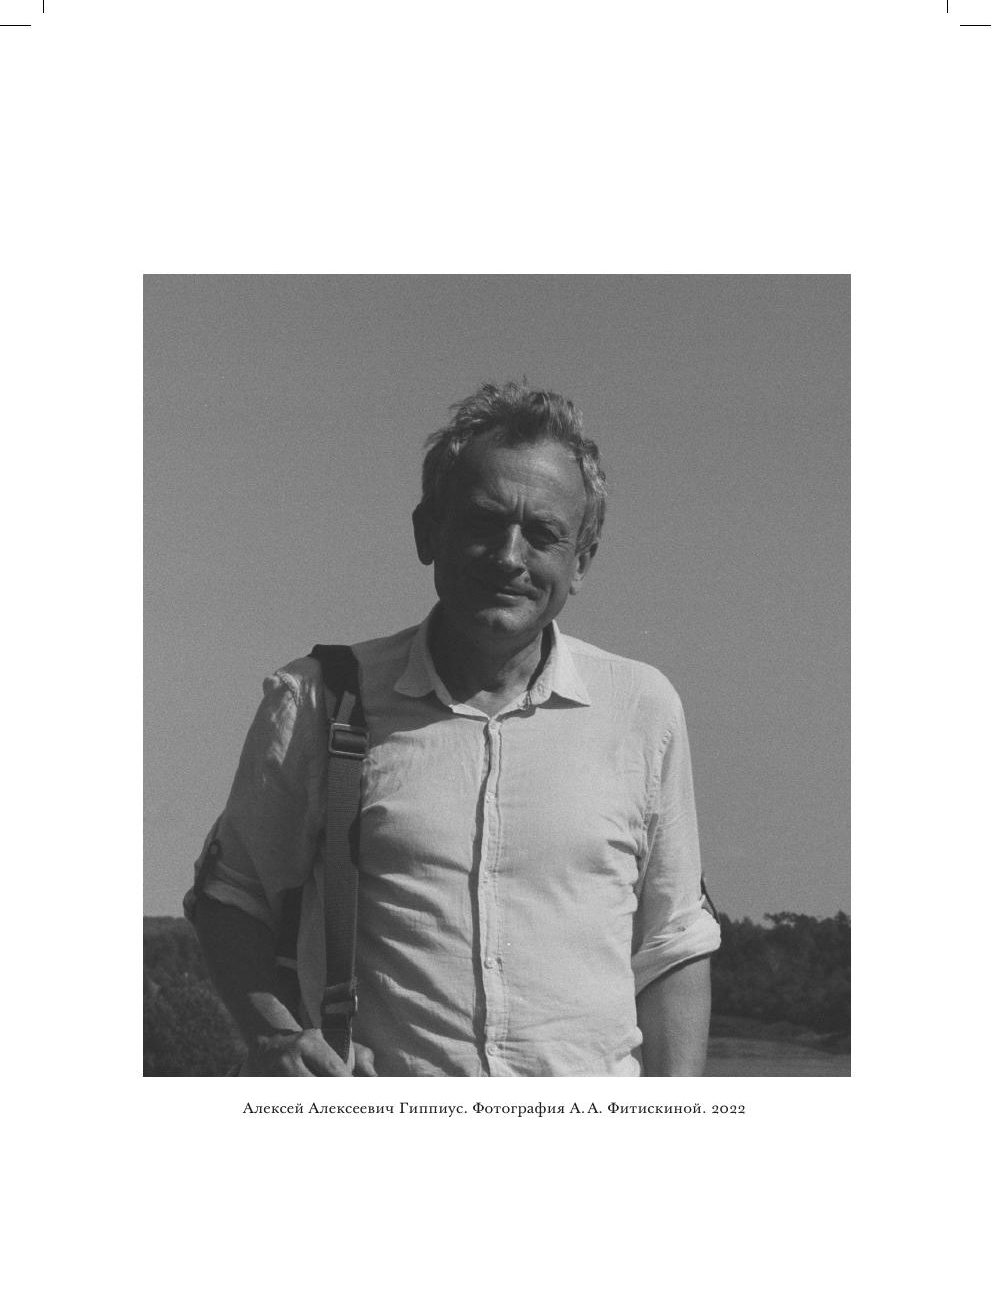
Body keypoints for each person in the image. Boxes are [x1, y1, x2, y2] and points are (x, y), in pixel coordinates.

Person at [186, 382, 720, 1076]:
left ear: (581, 561)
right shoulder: (320, 701)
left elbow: (673, 943)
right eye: (483, 522)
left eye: (543, 534)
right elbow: (231, 899)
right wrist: (275, 1036)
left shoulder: (642, 708)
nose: (509, 557)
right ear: (426, 532)